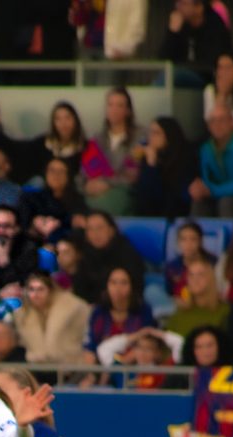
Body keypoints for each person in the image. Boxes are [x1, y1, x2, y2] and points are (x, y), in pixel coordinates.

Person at [189, 103, 233, 220]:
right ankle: (195, 237)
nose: (217, 125)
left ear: (232, 122)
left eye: (222, 120)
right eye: (212, 121)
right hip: (218, 195)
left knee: (227, 202)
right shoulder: (206, 148)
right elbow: (207, 179)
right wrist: (200, 189)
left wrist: (212, 191)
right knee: (199, 203)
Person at [78, 87, 140, 216]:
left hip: (122, 192)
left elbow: (133, 174)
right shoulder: (96, 139)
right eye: (110, 105)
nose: (114, 110)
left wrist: (106, 183)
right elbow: (84, 171)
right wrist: (86, 186)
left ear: (128, 110)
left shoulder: (140, 138)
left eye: (120, 105)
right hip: (94, 192)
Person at [13, 270, 91, 368]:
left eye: (40, 289)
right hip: (36, 368)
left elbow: (85, 337)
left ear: (50, 290)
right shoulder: (22, 314)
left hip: (70, 367)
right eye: (31, 289)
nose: (36, 294)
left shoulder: (73, 308)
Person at [72, 211, 145, 305]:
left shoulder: (126, 252)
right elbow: (80, 290)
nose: (95, 233)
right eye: (90, 229)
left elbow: (135, 287)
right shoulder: (85, 254)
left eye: (100, 228)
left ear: (111, 230)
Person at [160, 0, 232, 83]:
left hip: (206, 78)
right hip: (181, 75)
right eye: (177, 2)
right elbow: (162, 60)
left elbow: (212, 62)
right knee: (168, 76)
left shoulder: (215, 26)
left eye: (183, 4)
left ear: (199, 8)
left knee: (174, 76)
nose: (178, 7)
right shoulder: (180, 25)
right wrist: (172, 33)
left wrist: (186, 67)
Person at [135, 117, 193, 219]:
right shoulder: (149, 156)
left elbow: (172, 193)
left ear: (169, 135)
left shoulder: (185, 156)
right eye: (150, 133)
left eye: (156, 133)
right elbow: (145, 193)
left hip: (176, 210)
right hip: (151, 213)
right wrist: (151, 164)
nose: (151, 137)